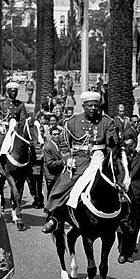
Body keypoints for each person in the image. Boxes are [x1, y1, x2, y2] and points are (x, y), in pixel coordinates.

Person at [43, 91, 117, 228]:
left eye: (96, 105)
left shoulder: (107, 122)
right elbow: (64, 143)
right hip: (78, 160)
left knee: (117, 186)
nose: (93, 108)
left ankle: (121, 220)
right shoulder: (73, 122)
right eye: (90, 106)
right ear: (83, 106)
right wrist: (66, 158)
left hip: (99, 159)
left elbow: (112, 145)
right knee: (63, 184)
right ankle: (55, 217)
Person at [117, 132, 140, 263]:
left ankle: (130, 251)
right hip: (123, 194)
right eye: (126, 145)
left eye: (132, 145)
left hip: (137, 194)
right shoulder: (119, 157)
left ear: (135, 143)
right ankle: (122, 251)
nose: (130, 148)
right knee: (123, 222)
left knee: (135, 223)